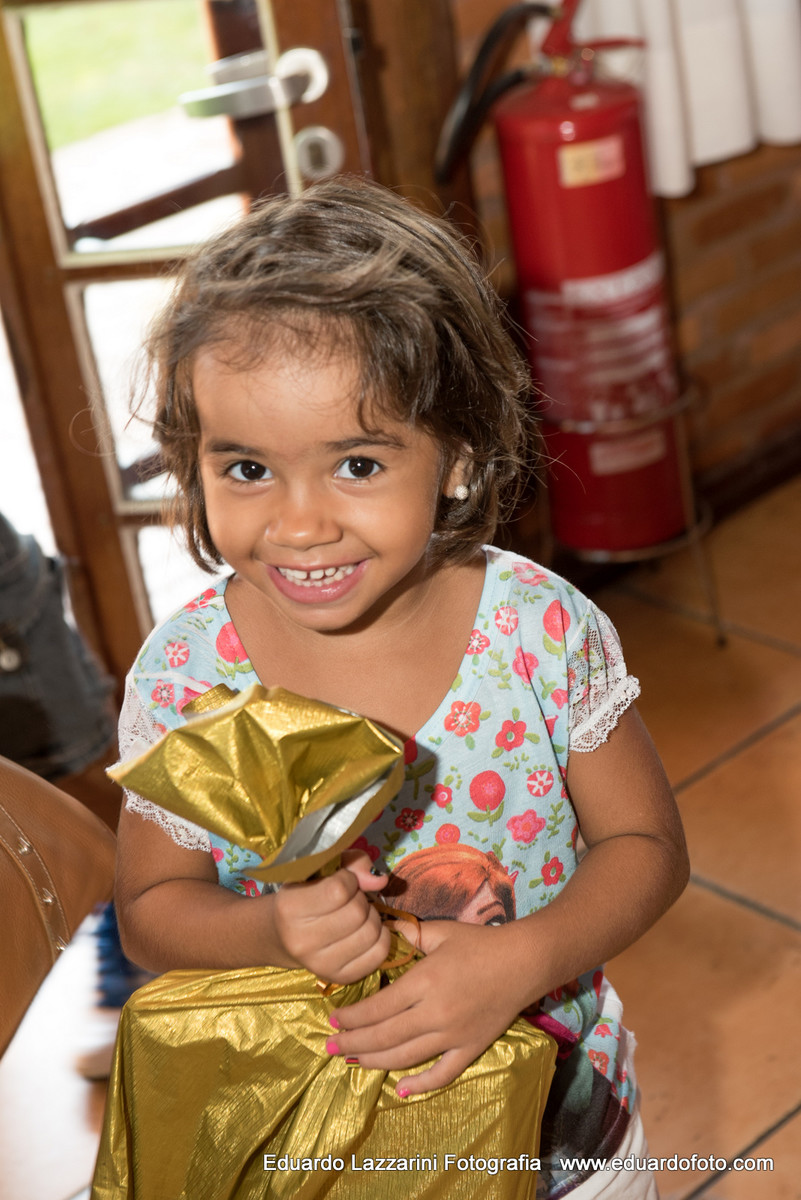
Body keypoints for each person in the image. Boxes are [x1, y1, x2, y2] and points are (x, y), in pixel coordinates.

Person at [114, 177, 689, 1198]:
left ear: (456, 455)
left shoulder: (539, 634)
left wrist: (523, 959)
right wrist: (271, 930)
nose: (299, 524)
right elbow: (153, 909)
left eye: (358, 464)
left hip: (565, 1145)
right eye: (247, 469)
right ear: (191, 463)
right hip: (319, 1151)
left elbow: (648, 850)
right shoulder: (190, 678)